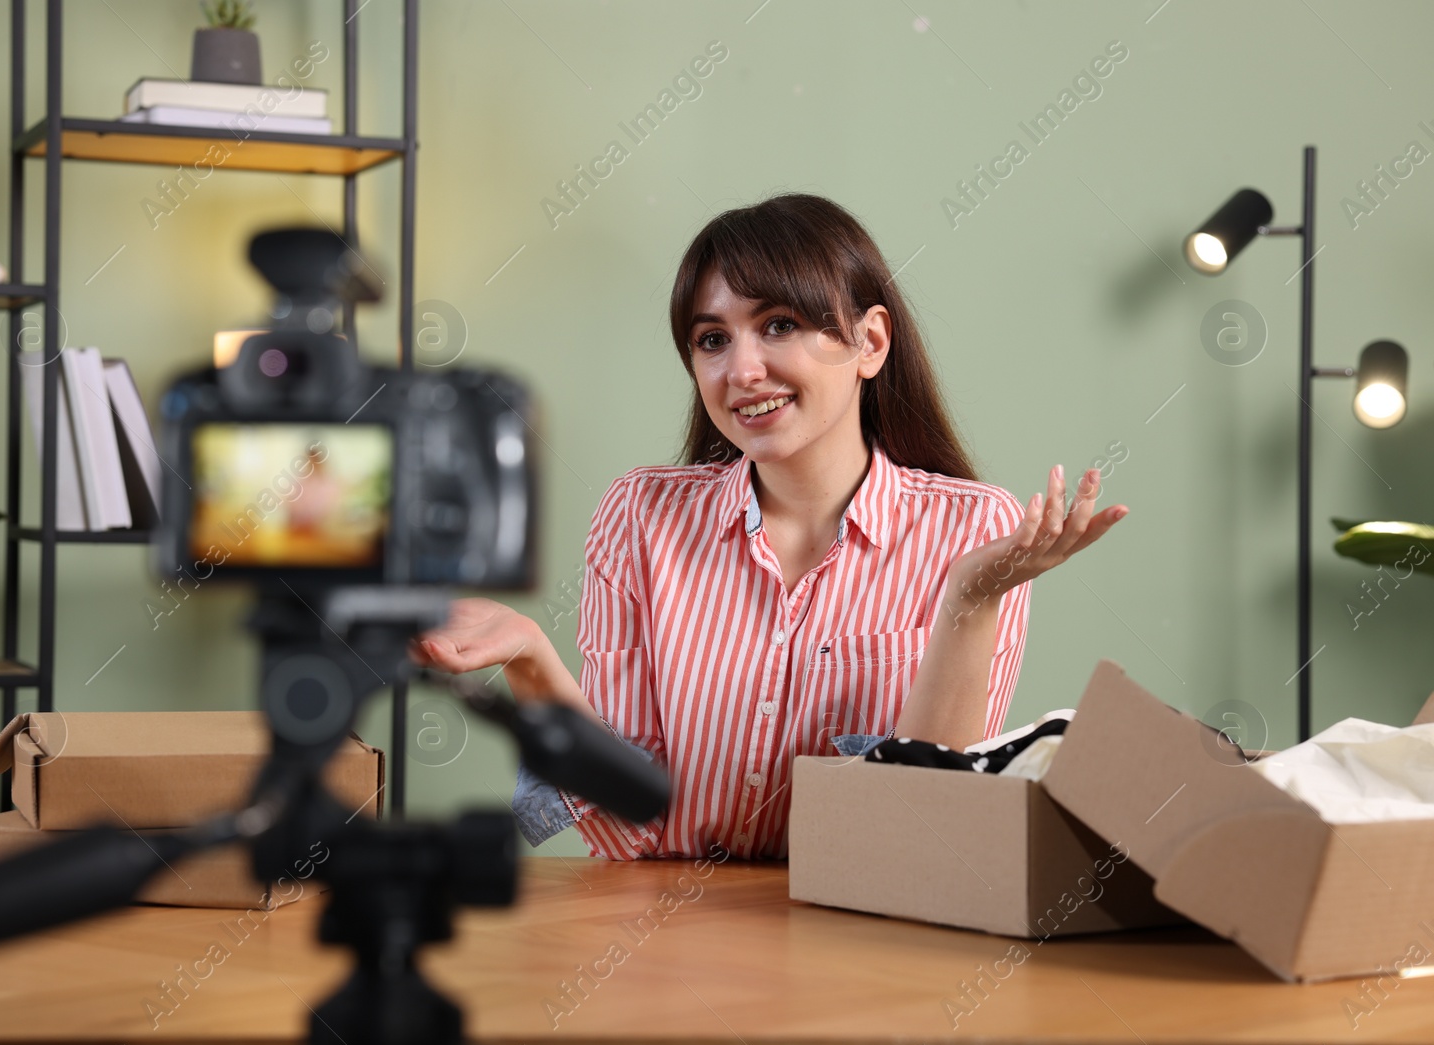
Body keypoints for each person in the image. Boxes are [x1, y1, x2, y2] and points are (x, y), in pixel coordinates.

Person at [408, 193, 1127, 860]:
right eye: (712, 339)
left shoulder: (972, 528)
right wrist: (531, 656)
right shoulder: (640, 516)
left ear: (870, 343)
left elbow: (919, 828)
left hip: (852, 940)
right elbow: (624, 826)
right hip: (660, 941)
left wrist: (970, 595)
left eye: (779, 325)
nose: (742, 369)